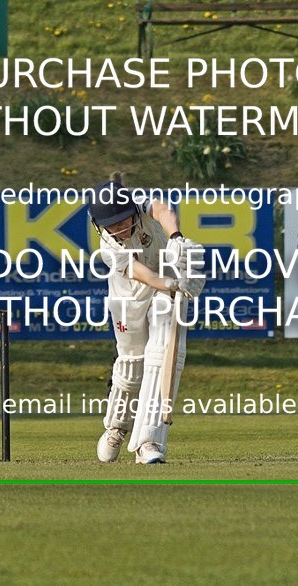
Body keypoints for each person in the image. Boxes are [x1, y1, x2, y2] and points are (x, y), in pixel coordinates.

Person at [88, 178, 205, 464]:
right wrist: (174, 284)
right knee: (131, 369)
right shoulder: (108, 249)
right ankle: (117, 426)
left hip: (162, 291)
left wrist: (176, 238)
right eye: (111, 224)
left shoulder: (141, 207)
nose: (117, 228)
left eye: (121, 220)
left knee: (165, 353)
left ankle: (150, 440)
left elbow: (164, 210)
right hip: (128, 301)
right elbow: (143, 275)